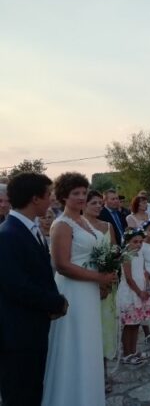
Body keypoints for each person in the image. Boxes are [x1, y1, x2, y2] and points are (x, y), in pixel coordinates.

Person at [43, 172, 117, 406]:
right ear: (64, 196)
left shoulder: (84, 221)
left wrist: (105, 276)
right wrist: (99, 277)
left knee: (89, 343)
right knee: (74, 343)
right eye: (76, 193)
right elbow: (62, 265)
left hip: (89, 290)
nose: (81, 197)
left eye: (84, 192)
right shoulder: (61, 224)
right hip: (73, 291)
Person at [0, 173, 68, 406]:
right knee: (20, 394)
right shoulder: (7, 235)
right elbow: (17, 285)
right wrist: (55, 302)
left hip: (33, 327)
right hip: (17, 334)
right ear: (35, 198)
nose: (51, 199)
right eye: (48, 194)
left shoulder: (29, 228)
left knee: (34, 389)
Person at [83, 190, 118, 393]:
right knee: (90, 329)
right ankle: (90, 372)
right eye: (93, 203)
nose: (98, 206)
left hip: (107, 283)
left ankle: (103, 373)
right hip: (87, 284)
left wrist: (109, 279)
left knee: (104, 327)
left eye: (99, 203)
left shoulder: (107, 226)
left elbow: (114, 252)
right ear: (84, 205)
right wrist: (97, 282)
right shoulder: (78, 227)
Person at [117, 229, 150, 365]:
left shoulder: (140, 254)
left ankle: (133, 350)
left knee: (136, 323)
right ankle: (127, 353)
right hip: (130, 293)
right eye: (135, 242)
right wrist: (139, 292)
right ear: (127, 242)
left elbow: (144, 272)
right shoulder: (126, 256)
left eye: (140, 242)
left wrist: (147, 287)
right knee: (129, 325)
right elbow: (129, 278)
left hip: (141, 291)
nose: (138, 244)